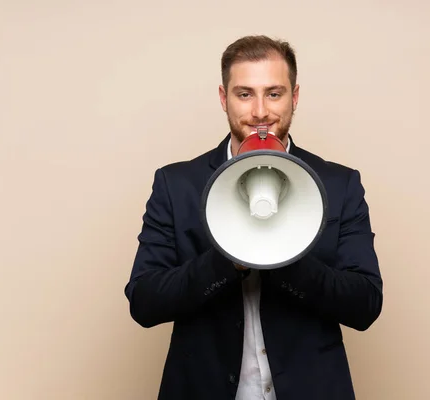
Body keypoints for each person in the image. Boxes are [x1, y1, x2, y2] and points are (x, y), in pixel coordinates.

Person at [124, 35, 383, 400]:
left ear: (294, 97)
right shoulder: (176, 184)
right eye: (244, 94)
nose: (260, 111)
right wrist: (228, 260)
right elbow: (144, 301)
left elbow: (366, 304)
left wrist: (283, 254)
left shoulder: (339, 184)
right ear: (222, 98)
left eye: (274, 94)